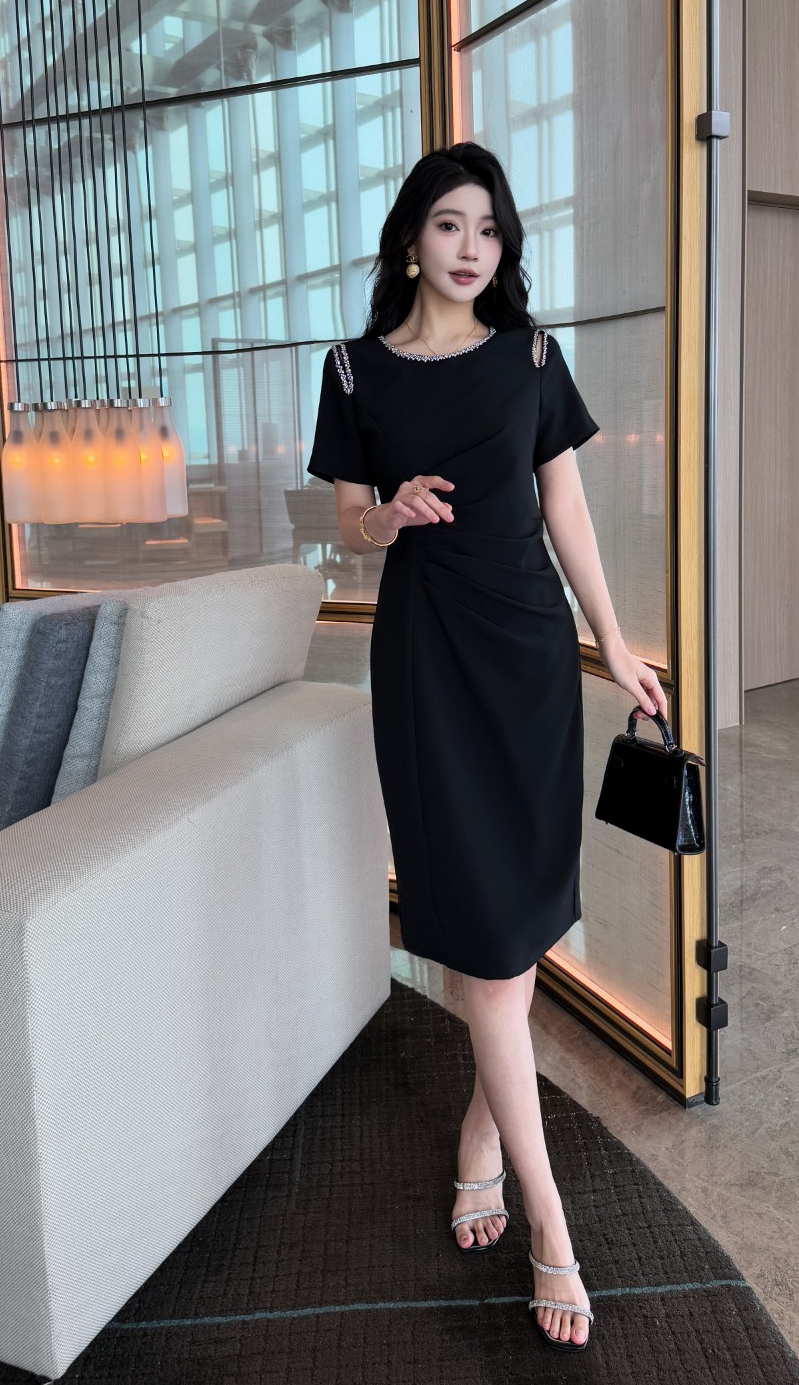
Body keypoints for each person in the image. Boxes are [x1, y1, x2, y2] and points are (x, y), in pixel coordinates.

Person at [306, 141, 667, 1352]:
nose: (472, 248)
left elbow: (566, 506)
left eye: (490, 229)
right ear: (412, 237)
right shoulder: (352, 369)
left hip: (527, 655)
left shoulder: (532, 357)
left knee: (517, 932)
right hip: (427, 662)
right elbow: (348, 522)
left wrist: (614, 645)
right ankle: (552, 1229)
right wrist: (388, 516)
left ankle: (479, 1135)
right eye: (451, 224)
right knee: (486, 942)